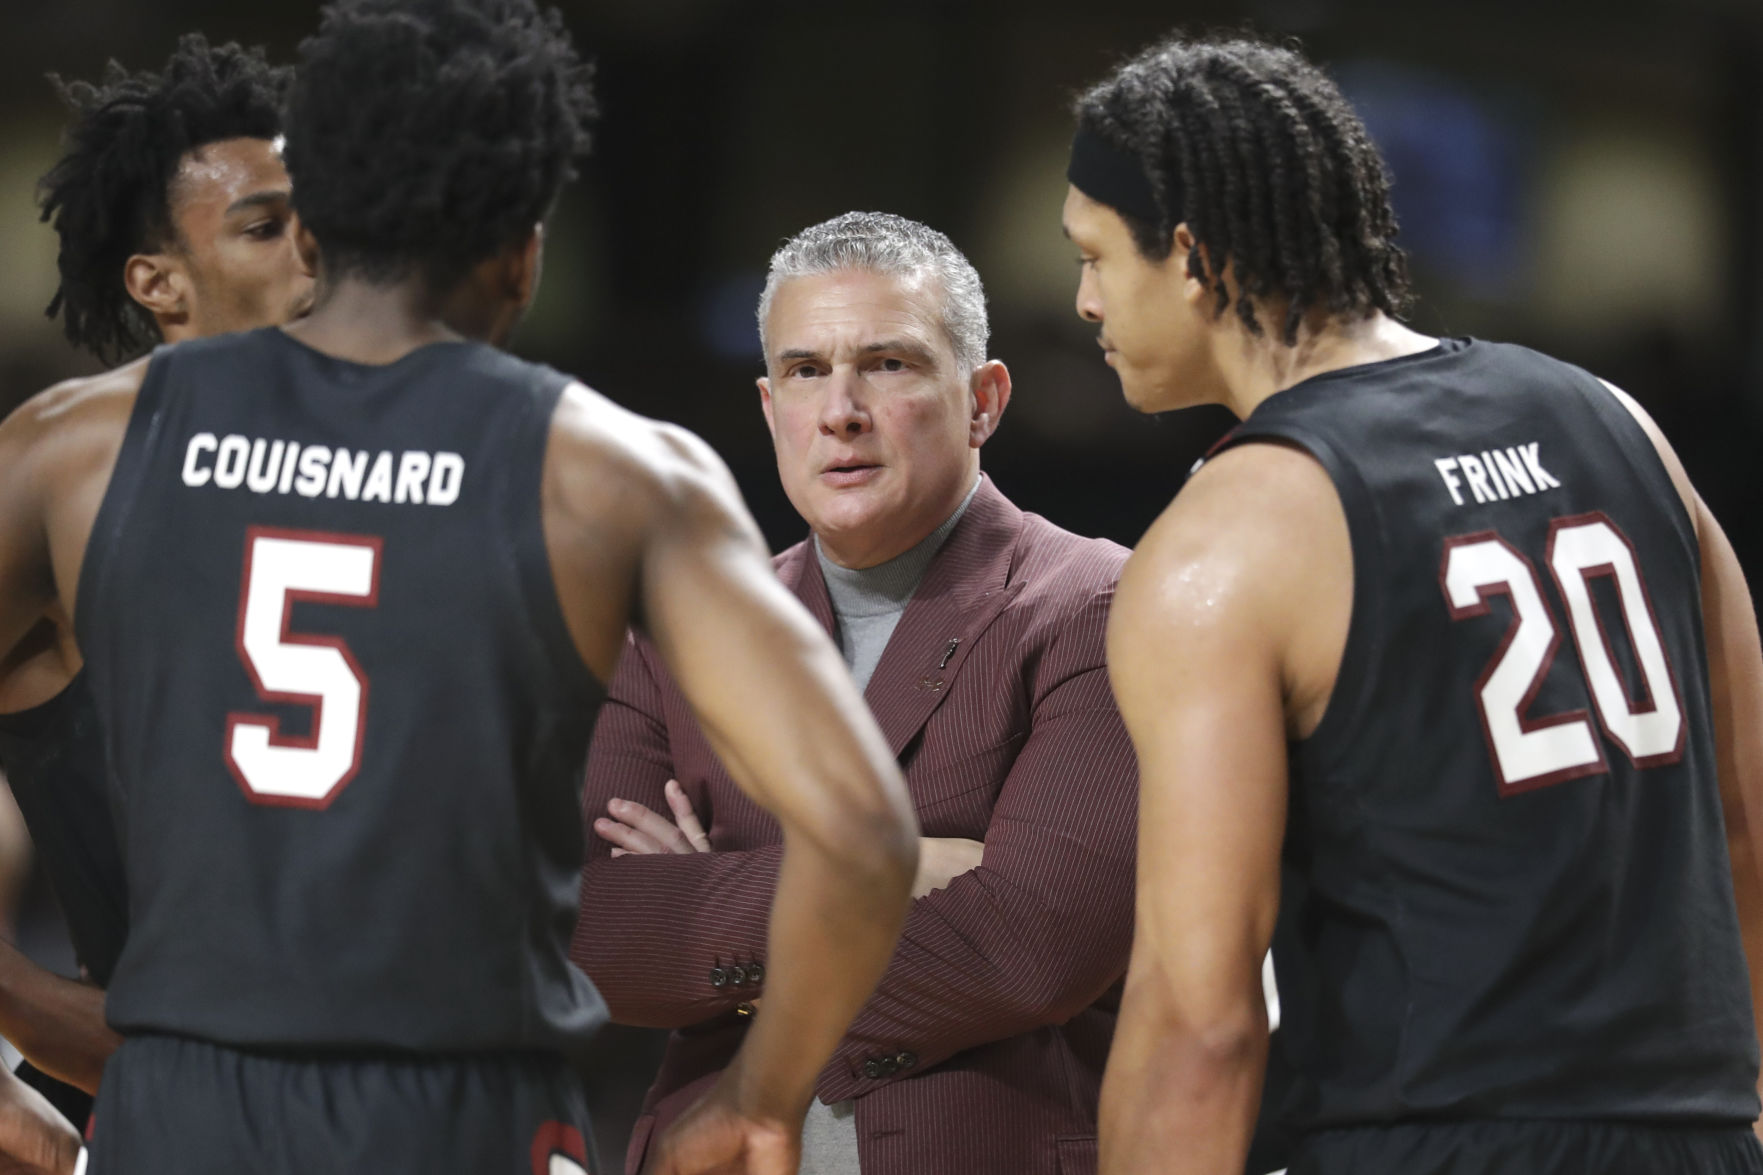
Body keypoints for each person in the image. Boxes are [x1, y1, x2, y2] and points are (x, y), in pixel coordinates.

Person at [0, 2, 918, 1172]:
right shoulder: (616, 474)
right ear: (524, 247)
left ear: (311, 216)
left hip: (177, 1109)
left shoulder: (72, 448)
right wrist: (758, 1093)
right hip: (463, 1110)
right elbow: (862, 830)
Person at [1063, 32, 1763, 1175]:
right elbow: (1740, 826)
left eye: (1094, 255)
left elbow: (1201, 1016)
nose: (1083, 300)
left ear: (1187, 255)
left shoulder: (1228, 536)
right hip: (1691, 1134)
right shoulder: (1615, 421)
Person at [575, 211, 1138, 1175]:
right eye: (805, 371)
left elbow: (1027, 947)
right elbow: (595, 936)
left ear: (982, 400)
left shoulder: (1097, 602)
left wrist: (713, 899)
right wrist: (882, 869)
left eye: (888, 364)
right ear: (768, 408)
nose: (841, 410)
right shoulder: (669, 629)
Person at [0, 30, 312, 1155]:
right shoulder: (62, 463)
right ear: (156, 281)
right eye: (266, 224)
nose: (313, 248)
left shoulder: (423, 448)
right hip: (169, 1102)